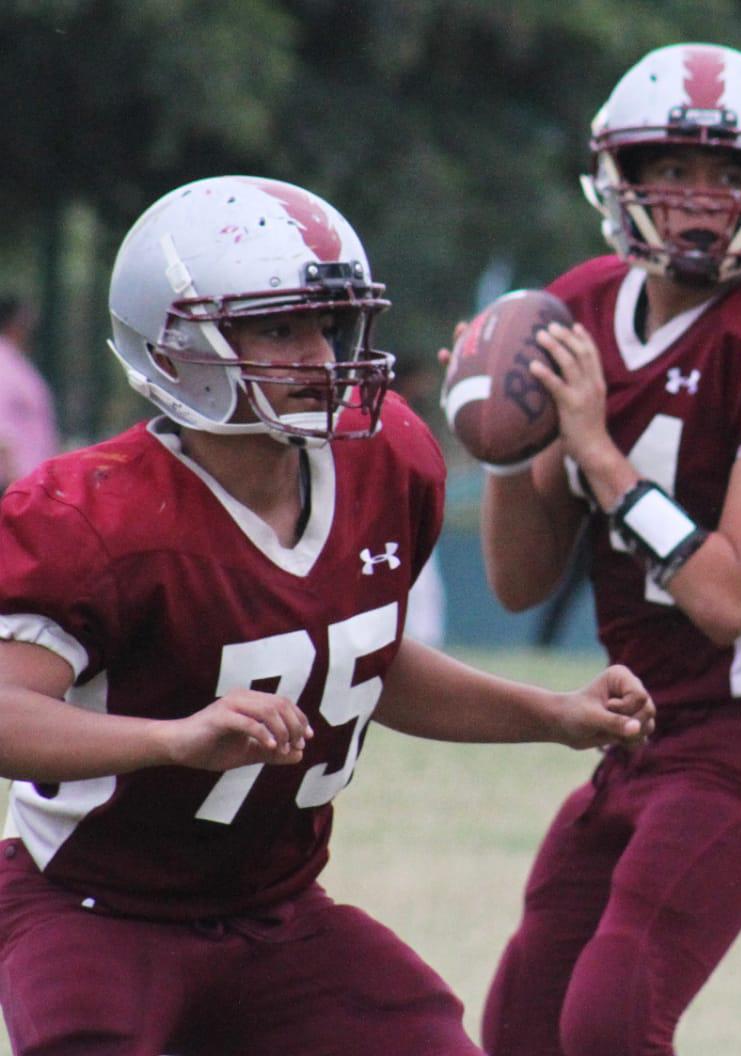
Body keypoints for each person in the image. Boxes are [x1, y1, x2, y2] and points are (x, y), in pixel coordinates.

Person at [0, 175, 654, 1056]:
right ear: (176, 344)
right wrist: (172, 739)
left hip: (273, 913)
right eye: (278, 327)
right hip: (92, 907)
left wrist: (554, 715)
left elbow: (358, 654)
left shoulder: (389, 459)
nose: (318, 353)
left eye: (326, 324)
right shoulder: (91, 513)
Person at [472, 44, 741, 1056]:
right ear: (620, 177)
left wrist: (598, 454)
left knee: (610, 1018)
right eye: (675, 170)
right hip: (632, 735)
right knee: (522, 1025)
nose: (703, 200)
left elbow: (729, 597)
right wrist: (497, 434)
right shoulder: (580, 307)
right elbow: (519, 583)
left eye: (731, 176)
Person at [0, 295, 59, 491]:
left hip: (29, 482)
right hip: (12, 483)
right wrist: (13, 477)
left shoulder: (17, 362)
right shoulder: (4, 363)